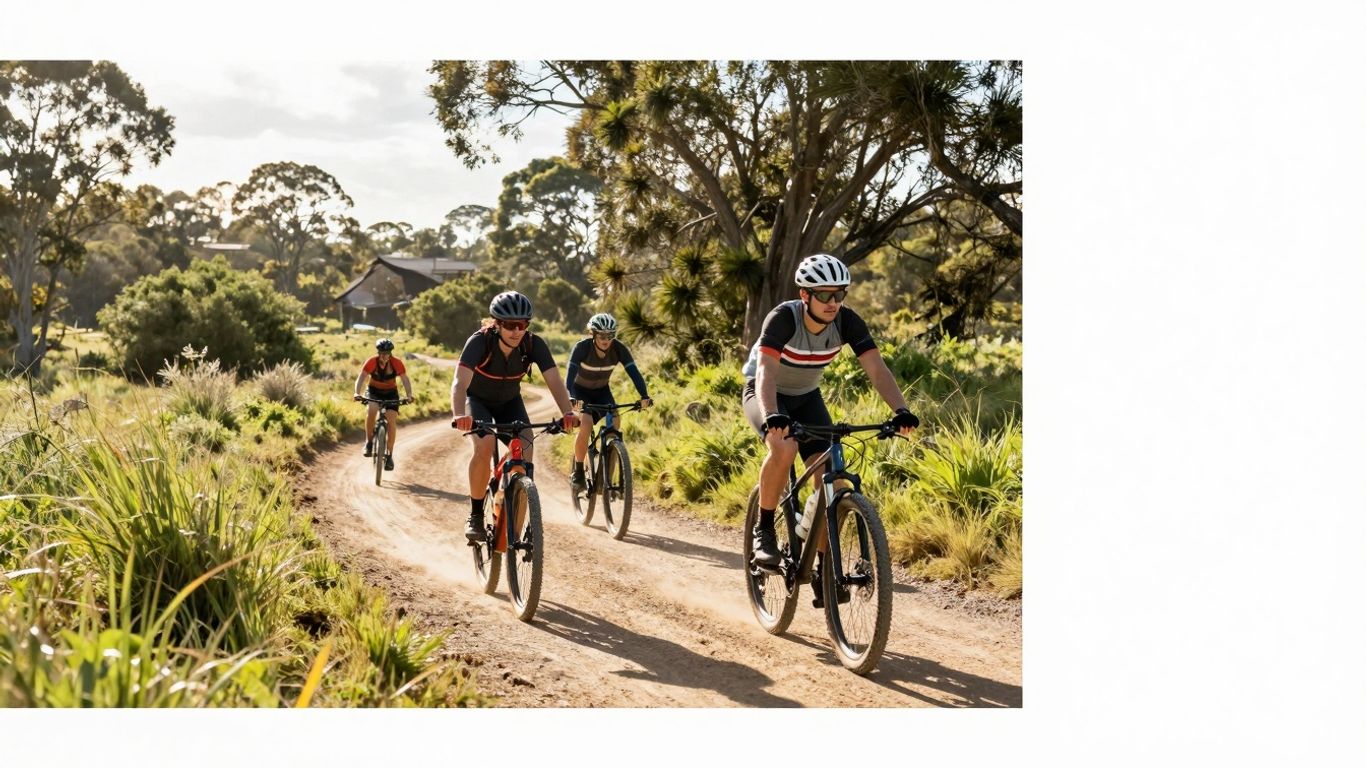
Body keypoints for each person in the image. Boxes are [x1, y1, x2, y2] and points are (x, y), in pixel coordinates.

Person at [741, 253, 920, 584]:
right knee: (784, 448)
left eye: (840, 294)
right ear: (805, 295)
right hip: (765, 392)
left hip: (807, 397)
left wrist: (901, 410)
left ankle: (824, 567)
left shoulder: (847, 321)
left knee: (831, 479)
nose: (833, 302)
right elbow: (765, 371)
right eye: (824, 294)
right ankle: (764, 529)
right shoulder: (783, 318)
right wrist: (772, 415)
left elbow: (877, 369)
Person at [450, 291, 579, 541]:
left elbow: (554, 380)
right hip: (477, 402)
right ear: (496, 324)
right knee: (485, 445)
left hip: (510, 402)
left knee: (526, 448)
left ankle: (513, 531)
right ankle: (476, 515)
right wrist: (458, 414)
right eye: (510, 325)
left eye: (522, 325)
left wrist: (567, 412)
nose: (516, 331)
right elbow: (459, 382)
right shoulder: (480, 342)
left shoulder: (533, 344)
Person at [565, 313, 653, 490]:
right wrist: (572, 397)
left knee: (615, 421)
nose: (606, 340)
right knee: (587, 424)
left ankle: (608, 471)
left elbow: (634, 373)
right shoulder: (582, 348)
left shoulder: (619, 349)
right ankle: (579, 472)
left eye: (610, 335)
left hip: (602, 392)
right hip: (581, 392)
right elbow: (569, 376)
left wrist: (644, 395)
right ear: (593, 334)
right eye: (602, 336)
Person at [353, 337, 414, 471]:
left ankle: (390, 455)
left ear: (391, 353)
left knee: (391, 419)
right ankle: (369, 442)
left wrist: (409, 395)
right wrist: (357, 393)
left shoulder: (397, 363)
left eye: (387, 353)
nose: (384, 356)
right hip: (373, 391)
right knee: (372, 410)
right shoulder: (371, 362)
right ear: (378, 352)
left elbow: (405, 380)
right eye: (382, 352)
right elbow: (361, 377)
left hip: (391, 393)